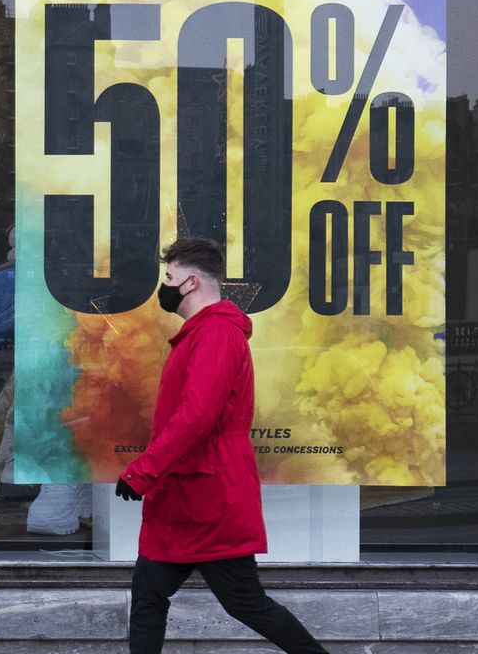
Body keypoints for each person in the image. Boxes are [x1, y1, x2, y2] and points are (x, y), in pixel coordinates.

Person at [116, 238, 328, 654]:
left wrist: (143, 471)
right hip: (189, 494)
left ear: (192, 282)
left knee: (245, 604)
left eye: (169, 278)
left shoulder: (214, 333)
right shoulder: (206, 333)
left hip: (207, 497)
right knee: (148, 597)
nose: (164, 286)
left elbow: (198, 415)